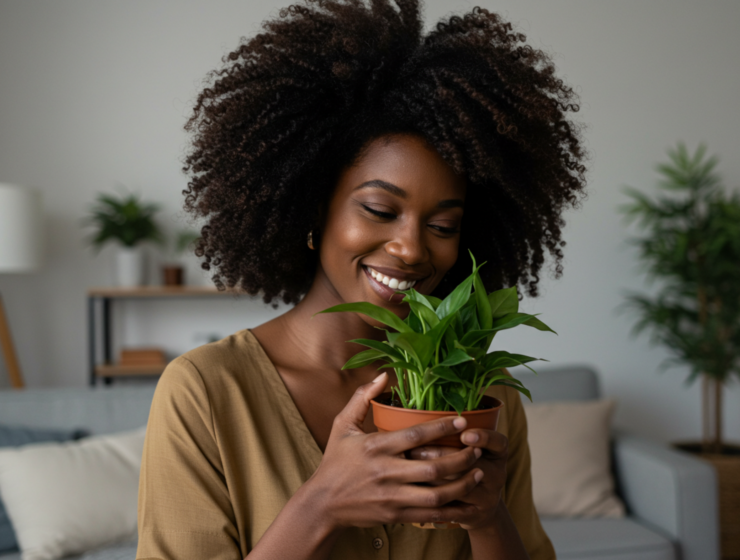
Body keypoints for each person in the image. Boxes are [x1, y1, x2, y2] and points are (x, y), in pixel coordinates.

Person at [136, 1, 586, 559]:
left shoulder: (484, 398)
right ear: (311, 207)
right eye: (378, 209)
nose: (412, 248)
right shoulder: (206, 392)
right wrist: (321, 502)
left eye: (443, 224)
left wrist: (488, 517)